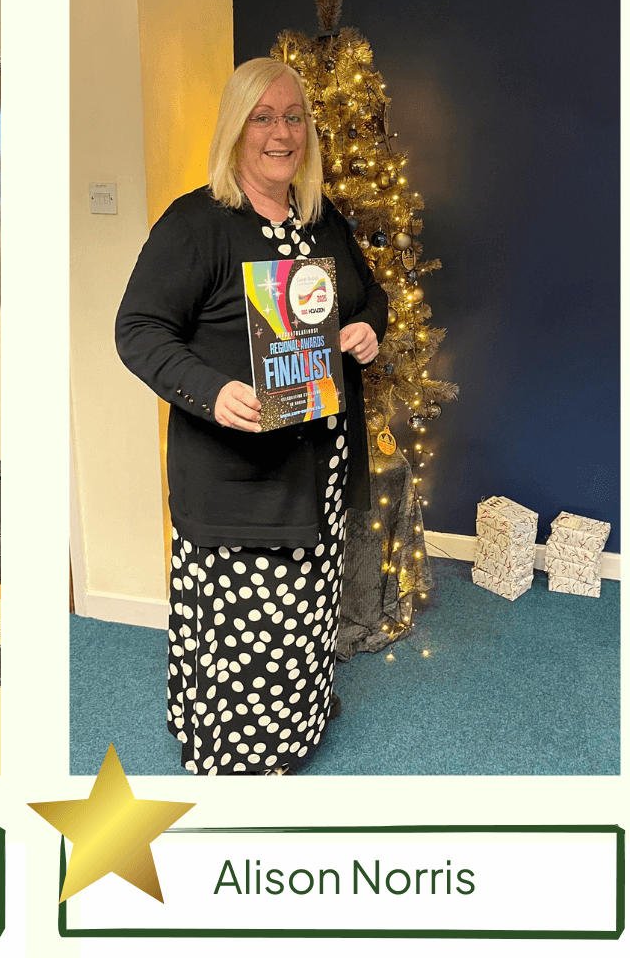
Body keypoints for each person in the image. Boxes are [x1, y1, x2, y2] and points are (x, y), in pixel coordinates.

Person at [115, 57, 387, 775]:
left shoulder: (322, 221)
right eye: (263, 117)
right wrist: (211, 391)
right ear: (235, 130)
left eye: (293, 116)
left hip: (318, 471)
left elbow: (369, 298)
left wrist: (365, 329)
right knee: (248, 624)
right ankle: (240, 754)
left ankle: (299, 718)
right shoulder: (198, 222)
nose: (281, 132)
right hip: (239, 480)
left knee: (307, 608)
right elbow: (138, 331)